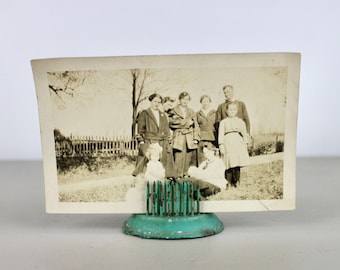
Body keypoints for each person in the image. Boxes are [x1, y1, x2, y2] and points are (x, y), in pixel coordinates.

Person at [132, 93, 175, 178]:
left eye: (159, 102)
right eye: (155, 101)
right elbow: (140, 130)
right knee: (147, 167)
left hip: (162, 142)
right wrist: (141, 142)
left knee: (163, 166)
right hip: (150, 141)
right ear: (151, 101)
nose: (157, 104)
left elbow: (166, 130)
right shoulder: (144, 113)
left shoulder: (163, 115)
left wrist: (168, 139)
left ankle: (165, 180)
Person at [169, 91, 200, 179]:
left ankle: (185, 174)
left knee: (188, 156)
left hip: (189, 137)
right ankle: (177, 176)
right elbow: (172, 123)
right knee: (178, 156)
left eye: (187, 99)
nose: (185, 101)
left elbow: (196, 125)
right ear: (179, 100)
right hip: (179, 136)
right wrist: (186, 123)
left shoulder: (192, 111)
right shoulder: (174, 110)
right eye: (183, 99)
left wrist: (196, 137)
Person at [218, 102, 249, 187]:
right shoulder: (223, 122)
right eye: (230, 110)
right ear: (226, 111)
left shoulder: (240, 121)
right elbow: (220, 134)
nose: (232, 111)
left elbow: (244, 132)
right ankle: (228, 182)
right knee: (228, 162)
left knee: (236, 162)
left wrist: (245, 142)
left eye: (234, 110)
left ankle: (237, 181)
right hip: (227, 142)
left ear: (237, 111)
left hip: (237, 142)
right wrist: (221, 144)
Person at [196, 95, 217, 165]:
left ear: (210, 102)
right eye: (203, 101)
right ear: (201, 103)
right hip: (201, 139)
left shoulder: (215, 113)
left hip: (212, 138)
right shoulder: (197, 114)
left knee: (211, 157)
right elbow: (196, 126)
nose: (205, 103)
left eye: (207, 101)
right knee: (202, 158)